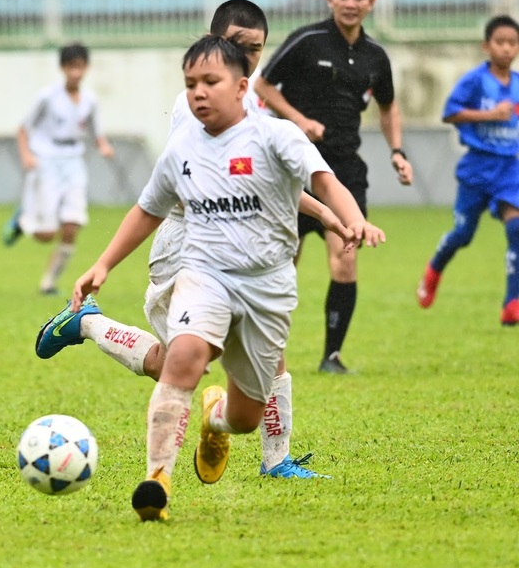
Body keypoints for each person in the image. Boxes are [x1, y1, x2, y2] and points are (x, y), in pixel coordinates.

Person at [70, 36, 384, 521]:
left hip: (266, 289)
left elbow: (325, 182)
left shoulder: (277, 136)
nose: (198, 92)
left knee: (244, 417)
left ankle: (215, 421)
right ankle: (157, 481)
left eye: (210, 81)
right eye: (190, 83)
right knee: (183, 359)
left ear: (241, 87)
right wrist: (104, 263)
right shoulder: (182, 149)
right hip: (205, 277)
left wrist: (353, 218)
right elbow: (147, 210)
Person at [255, 0, 413, 374]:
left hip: (343, 170)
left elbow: (388, 106)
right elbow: (263, 86)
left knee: (346, 261)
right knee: (282, 265)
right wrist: (299, 121)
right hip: (293, 168)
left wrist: (397, 151)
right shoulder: (307, 40)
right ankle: (268, 351)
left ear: (371, 3)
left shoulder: (376, 56)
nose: (350, 3)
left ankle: (332, 356)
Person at [417, 15, 519, 325]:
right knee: (463, 234)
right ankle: (434, 270)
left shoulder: (517, 83)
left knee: (516, 229)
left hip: (509, 169)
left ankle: (511, 304)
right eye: (500, 42)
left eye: (512, 43)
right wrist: (489, 115)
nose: (506, 48)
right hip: (477, 168)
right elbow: (450, 113)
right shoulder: (475, 80)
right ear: (487, 46)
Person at [2, 42, 114, 295]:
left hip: (74, 162)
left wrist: (104, 146)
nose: (76, 72)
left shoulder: (90, 100)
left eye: (80, 67)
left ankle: (49, 283)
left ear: (86, 68)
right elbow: (23, 129)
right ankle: (22, 219)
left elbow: (97, 133)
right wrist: (26, 156)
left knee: (72, 226)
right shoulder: (47, 97)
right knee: (46, 234)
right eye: (71, 67)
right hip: (47, 161)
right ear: (63, 68)